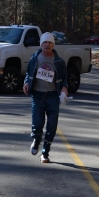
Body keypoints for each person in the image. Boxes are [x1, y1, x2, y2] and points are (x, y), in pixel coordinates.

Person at [23, 32, 69, 163]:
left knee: (52, 126)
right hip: (37, 95)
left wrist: (64, 89)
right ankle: (36, 140)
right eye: (44, 42)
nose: (47, 45)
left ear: (53, 45)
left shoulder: (59, 62)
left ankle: (45, 152)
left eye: (49, 42)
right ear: (41, 44)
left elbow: (65, 78)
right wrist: (26, 83)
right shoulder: (34, 59)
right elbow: (28, 74)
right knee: (37, 123)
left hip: (53, 96)